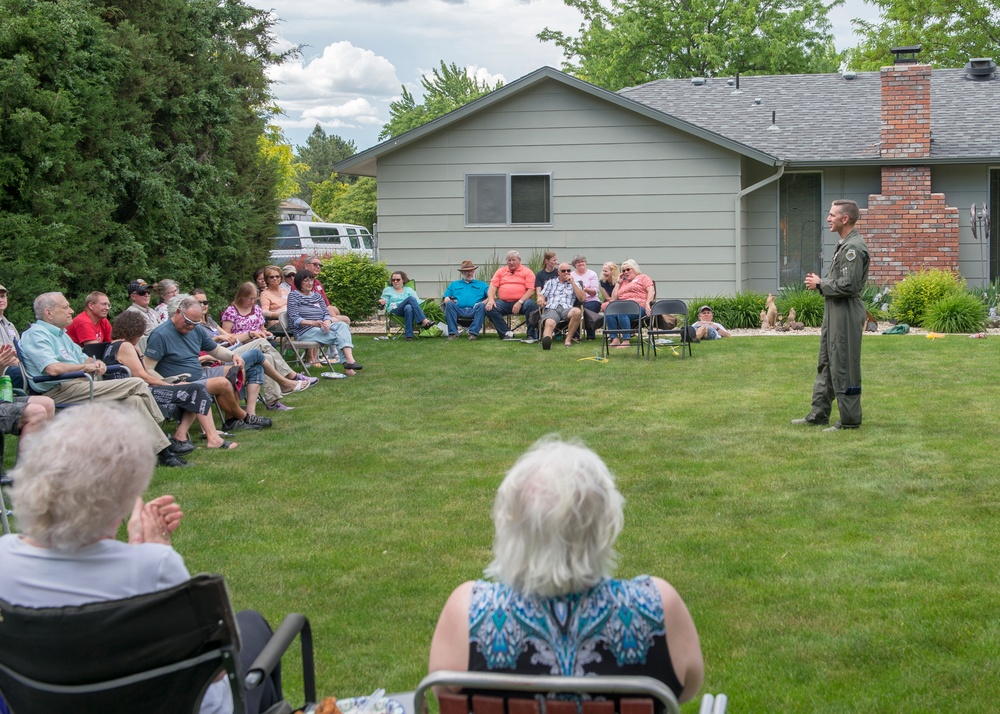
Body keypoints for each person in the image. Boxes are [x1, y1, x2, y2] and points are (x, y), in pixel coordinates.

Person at [0, 403, 283, 714]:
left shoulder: (5, 557)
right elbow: (212, 682)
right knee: (253, 626)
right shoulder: (154, 565)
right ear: (124, 493)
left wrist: (140, 553)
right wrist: (153, 552)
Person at [427, 437, 703, 705]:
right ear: (605, 527)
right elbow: (688, 690)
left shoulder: (467, 614)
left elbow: (443, 696)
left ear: (508, 525)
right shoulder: (657, 607)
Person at [17, 292, 189, 467]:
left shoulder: (61, 334)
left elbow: (84, 358)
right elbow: (52, 368)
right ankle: (165, 433)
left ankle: (164, 454)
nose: (71, 311)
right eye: (65, 307)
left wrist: (96, 363)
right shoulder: (36, 335)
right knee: (136, 382)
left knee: (134, 400)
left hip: (81, 384)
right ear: (49, 313)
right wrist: (84, 367)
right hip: (58, 391)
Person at [108, 310, 237, 450]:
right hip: (141, 392)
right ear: (135, 330)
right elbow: (143, 376)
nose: (140, 336)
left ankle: (181, 436)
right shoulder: (125, 346)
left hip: (134, 390)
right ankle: (213, 439)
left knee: (193, 388)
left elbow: (144, 371)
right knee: (195, 390)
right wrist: (170, 385)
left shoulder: (112, 346)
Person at [794, 199, 870, 431]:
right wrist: (821, 284)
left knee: (843, 364)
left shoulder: (853, 248)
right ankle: (819, 414)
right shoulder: (844, 244)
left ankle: (849, 420)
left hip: (845, 312)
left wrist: (821, 283)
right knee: (827, 361)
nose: (828, 219)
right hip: (835, 310)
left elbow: (849, 286)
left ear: (844, 219)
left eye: (832, 215)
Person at [143, 297, 273, 431]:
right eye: (188, 322)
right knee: (222, 383)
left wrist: (233, 355)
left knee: (236, 370)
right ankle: (245, 417)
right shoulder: (160, 334)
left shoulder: (196, 329)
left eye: (195, 323)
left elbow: (215, 350)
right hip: (180, 382)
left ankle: (231, 421)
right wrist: (169, 384)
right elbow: (148, 369)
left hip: (200, 373)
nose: (191, 326)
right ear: (177, 312)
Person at [220, 283, 314, 410]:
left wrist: (265, 333)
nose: (252, 301)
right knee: (263, 343)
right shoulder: (231, 311)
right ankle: (291, 376)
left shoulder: (256, 309)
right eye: (250, 298)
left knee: (267, 358)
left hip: (256, 345)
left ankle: (273, 401)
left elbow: (262, 328)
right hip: (238, 347)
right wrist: (249, 335)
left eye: (255, 299)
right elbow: (228, 337)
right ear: (241, 297)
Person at [286, 270, 363, 374]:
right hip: (305, 331)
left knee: (342, 325)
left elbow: (326, 313)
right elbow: (294, 319)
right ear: (299, 282)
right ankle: (348, 366)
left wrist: (327, 322)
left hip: (321, 327)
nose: (310, 283)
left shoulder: (317, 296)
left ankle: (349, 361)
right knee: (339, 336)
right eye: (306, 280)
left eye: (311, 280)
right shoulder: (293, 296)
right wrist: (313, 323)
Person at [485, 250, 539, 340]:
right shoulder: (500, 271)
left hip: (522, 303)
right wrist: (491, 300)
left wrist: (520, 302)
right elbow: (492, 287)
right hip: (504, 302)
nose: (511, 262)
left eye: (513, 260)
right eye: (509, 260)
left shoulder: (527, 272)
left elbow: (531, 290)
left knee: (531, 304)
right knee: (490, 308)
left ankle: (531, 334)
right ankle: (506, 333)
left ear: (519, 260)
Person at [604, 259, 654, 348]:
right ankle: (614, 339)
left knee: (622, 311)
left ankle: (626, 340)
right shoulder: (622, 282)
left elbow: (651, 291)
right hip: (623, 307)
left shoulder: (643, 277)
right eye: (623, 271)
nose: (625, 272)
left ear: (635, 268)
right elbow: (614, 298)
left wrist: (648, 303)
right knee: (610, 310)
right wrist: (618, 283)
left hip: (639, 307)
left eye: (628, 269)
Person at [537, 262, 586, 349]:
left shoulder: (575, 284)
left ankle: (568, 340)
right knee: (549, 322)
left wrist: (573, 283)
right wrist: (541, 299)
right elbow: (542, 295)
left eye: (568, 270)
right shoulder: (550, 282)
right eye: (563, 271)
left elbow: (582, 298)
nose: (566, 272)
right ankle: (547, 341)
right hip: (552, 308)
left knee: (577, 311)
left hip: (567, 309)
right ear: (558, 272)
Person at [380, 271, 434, 341]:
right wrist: (381, 301)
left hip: (406, 311)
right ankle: (424, 321)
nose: (395, 281)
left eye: (398, 279)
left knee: (408, 307)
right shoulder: (388, 290)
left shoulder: (409, 290)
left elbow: (417, 301)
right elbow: (384, 300)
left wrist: (427, 300)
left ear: (403, 280)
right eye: (393, 280)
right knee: (410, 299)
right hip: (395, 310)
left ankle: (409, 336)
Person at [443, 260, 489, 341]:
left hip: (475, 310)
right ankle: (452, 334)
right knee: (449, 304)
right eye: (466, 271)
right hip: (458, 310)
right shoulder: (454, 284)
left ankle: (473, 334)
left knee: (482, 306)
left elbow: (492, 296)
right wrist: (447, 299)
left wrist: (483, 302)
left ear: (474, 271)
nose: (469, 273)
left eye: (471, 271)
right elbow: (445, 297)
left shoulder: (482, 284)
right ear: (462, 272)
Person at [571, 255, 601, 340]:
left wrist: (585, 289)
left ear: (585, 262)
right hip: (576, 300)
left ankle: (590, 335)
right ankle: (575, 335)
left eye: (582, 261)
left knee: (588, 308)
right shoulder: (571, 275)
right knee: (575, 310)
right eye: (578, 262)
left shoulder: (592, 274)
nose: (581, 263)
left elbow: (594, 292)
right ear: (574, 265)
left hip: (591, 300)